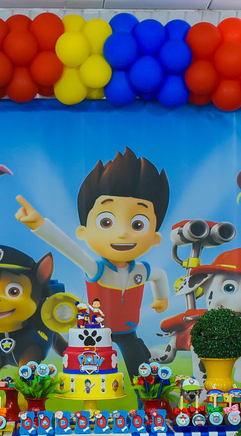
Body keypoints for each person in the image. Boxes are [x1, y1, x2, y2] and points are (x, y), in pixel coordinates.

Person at [15, 148, 170, 371]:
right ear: (83, 231)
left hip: (128, 330)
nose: (122, 234)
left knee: (140, 367)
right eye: (106, 222)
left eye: (138, 224)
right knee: (92, 369)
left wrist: (161, 298)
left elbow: (160, 275)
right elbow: (68, 248)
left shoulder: (141, 271)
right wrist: (39, 225)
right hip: (97, 331)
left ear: (155, 237)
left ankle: (145, 389)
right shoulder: (96, 269)